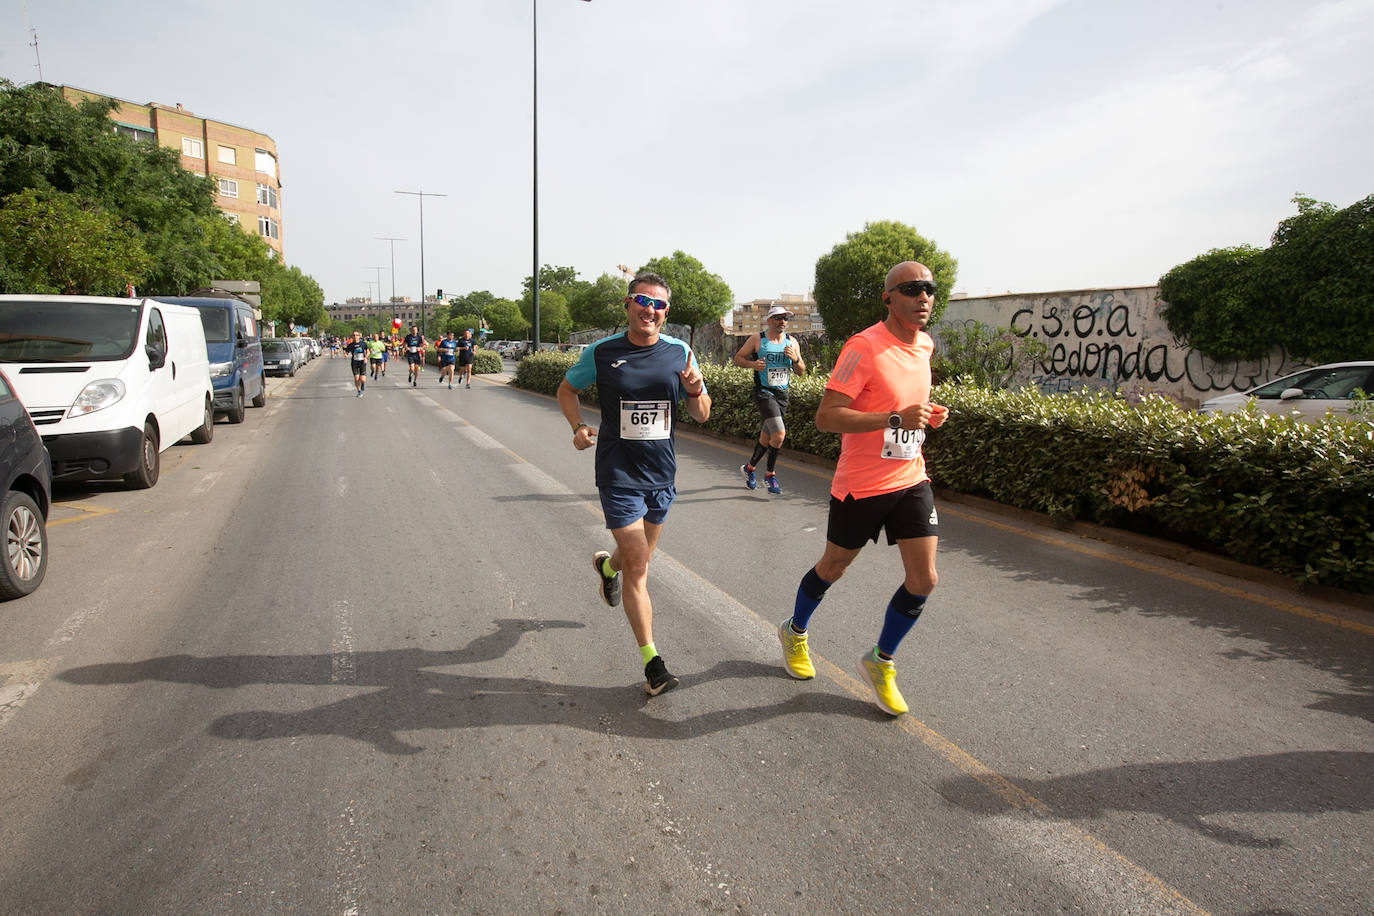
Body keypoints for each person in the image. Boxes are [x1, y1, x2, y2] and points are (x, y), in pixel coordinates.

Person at [777, 261, 948, 717]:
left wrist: (926, 415)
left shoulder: (926, 345)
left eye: (929, 289)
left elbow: (906, 406)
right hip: (862, 484)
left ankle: (881, 660)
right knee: (833, 566)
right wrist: (893, 419)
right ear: (888, 297)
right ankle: (795, 631)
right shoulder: (864, 346)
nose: (923, 297)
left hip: (911, 477)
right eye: (912, 289)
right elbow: (826, 417)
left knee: (924, 578)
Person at [556, 271, 711, 696]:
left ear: (666, 314)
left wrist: (696, 390)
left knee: (633, 560)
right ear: (628, 304)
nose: (650, 310)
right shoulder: (603, 352)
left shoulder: (680, 352)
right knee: (639, 567)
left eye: (659, 305)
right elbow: (566, 390)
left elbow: (703, 415)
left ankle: (606, 568)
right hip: (618, 474)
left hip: (661, 475)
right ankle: (653, 666)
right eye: (643, 300)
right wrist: (578, 426)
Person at [733, 305, 806, 495]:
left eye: (786, 319)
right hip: (764, 393)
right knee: (779, 434)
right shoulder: (758, 339)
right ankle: (770, 475)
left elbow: (801, 371)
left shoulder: (792, 342)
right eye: (779, 318)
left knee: (767, 436)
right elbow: (738, 358)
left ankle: (749, 469)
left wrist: (796, 359)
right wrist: (752, 364)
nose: (783, 322)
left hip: (782, 394)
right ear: (770, 320)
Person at [342, 330, 369, 397]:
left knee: (362, 379)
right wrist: (345, 354)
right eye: (353, 335)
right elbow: (346, 352)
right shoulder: (350, 345)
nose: (355, 337)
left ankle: (362, 384)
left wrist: (366, 357)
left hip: (362, 362)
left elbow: (368, 351)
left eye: (356, 335)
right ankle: (359, 391)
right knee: (356, 378)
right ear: (352, 337)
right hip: (354, 363)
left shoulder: (363, 344)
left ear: (359, 336)